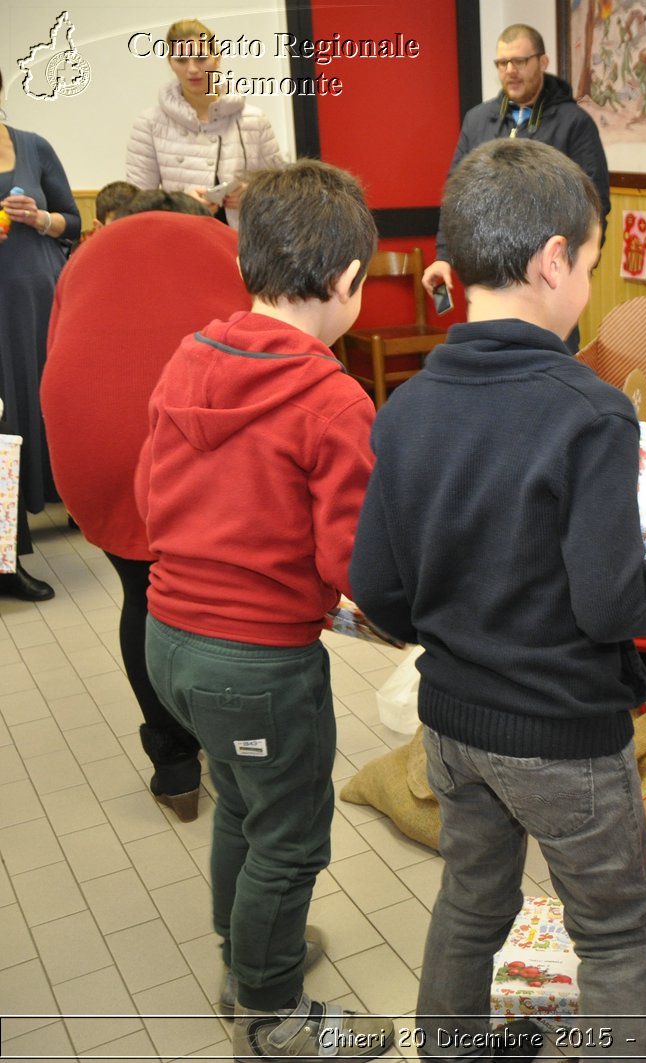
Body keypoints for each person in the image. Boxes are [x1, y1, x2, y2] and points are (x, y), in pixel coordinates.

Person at [349, 138, 646, 1061]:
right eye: (589, 264)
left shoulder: (406, 406)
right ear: (554, 261)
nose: (587, 280)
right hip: (563, 738)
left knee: (474, 897)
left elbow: (379, 589)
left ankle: (450, 1049)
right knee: (616, 934)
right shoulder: (588, 409)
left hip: (455, 724)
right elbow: (612, 603)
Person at [137, 159, 393, 1061]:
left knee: (243, 809)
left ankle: (246, 959)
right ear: (345, 281)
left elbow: (147, 491)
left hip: (167, 637)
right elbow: (350, 559)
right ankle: (273, 1014)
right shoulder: (332, 397)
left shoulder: (191, 353)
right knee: (290, 838)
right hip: (257, 665)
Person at [42, 202, 249, 822]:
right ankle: (238, 744)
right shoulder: (219, 241)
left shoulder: (89, 255)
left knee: (142, 592)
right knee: (226, 595)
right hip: (198, 430)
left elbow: (57, 346)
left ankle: (175, 763)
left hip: (94, 432)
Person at [422, 23, 610, 350]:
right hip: (489, 279)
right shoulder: (478, 120)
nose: (510, 71)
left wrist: (575, 266)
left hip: (548, 280)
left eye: (520, 61)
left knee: (551, 372)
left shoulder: (574, 123)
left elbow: (594, 204)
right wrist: (443, 256)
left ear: (543, 62)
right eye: (502, 63)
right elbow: (457, 195)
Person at [0, 71, 80, 602]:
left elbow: (72, 222)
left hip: (34, 304)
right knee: (1, 423)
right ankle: (6, 558)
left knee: (29, 414)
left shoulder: (33, 145)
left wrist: (41, 218)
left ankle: (12, 553)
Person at [126, 19, 284, 227]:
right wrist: (180, 204)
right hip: (181, 240)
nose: (192, 69)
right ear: (170, 63)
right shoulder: (149, 124)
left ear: (217, 58)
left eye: (201, 58)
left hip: (246, 246)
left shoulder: (255, 120)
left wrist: (252, 195)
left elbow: (283, 191)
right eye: (181, 60)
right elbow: (136, 207)